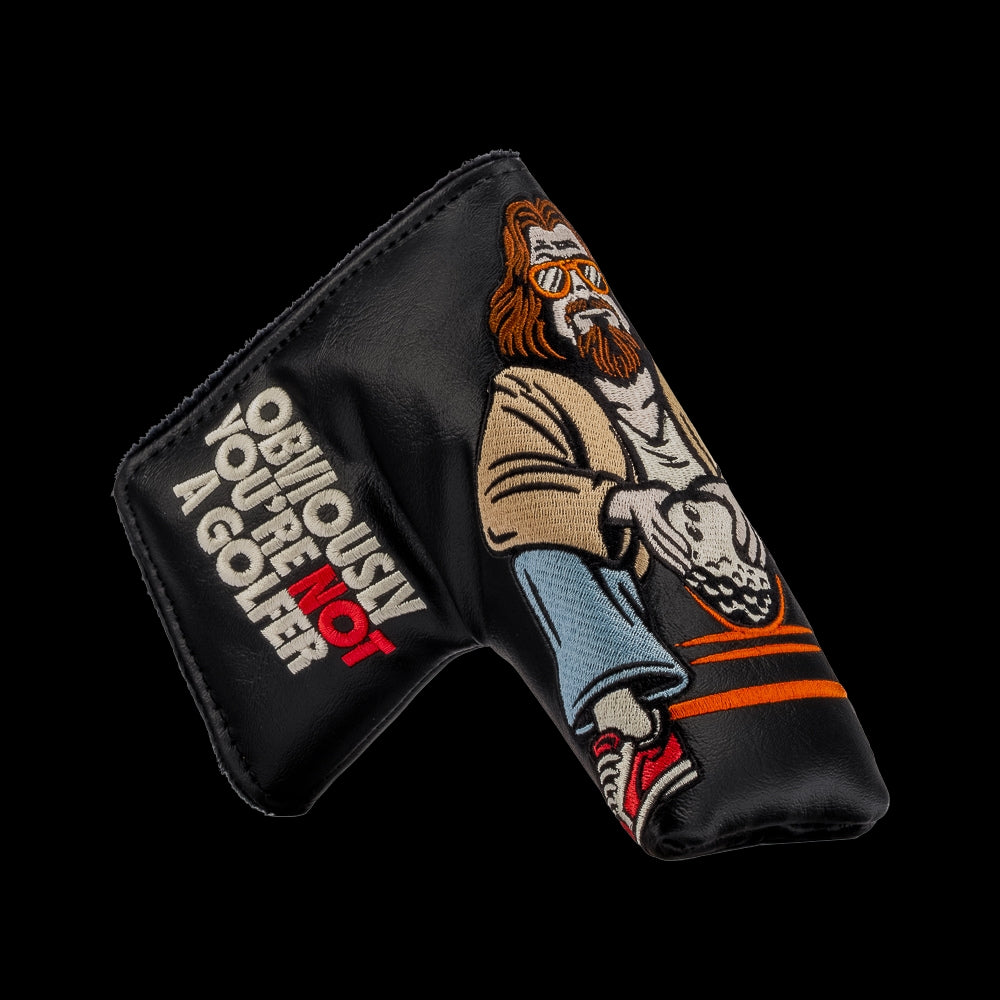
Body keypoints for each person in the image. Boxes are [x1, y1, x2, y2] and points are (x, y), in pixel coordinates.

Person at [476, 197, 773, 840]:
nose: (583, 291)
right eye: (554, 278)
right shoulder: (531, 389)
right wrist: (624, 504)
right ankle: (632, 731)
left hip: (726, 569)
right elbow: (505, 493)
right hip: (626, 580)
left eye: (585, 273)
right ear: (530, 304)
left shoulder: (655, 384)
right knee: (541, 555)